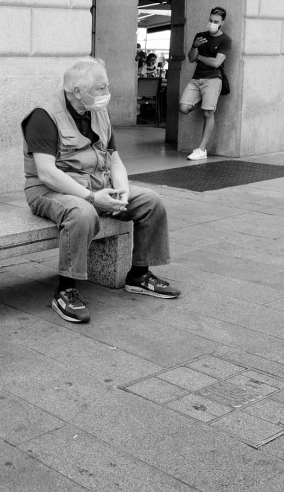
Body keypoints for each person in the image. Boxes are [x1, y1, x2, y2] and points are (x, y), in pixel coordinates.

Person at [21, 57, 180, 324]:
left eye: (106, 87)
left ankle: (139, 274)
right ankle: (66, 289)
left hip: (97, 186)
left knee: (151, 201)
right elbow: (46, 173)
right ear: (78, 91)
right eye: (100, 88)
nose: (107, 94)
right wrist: (93, 198)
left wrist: (123, 193)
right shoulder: (43, 116)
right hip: (49, 191)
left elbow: (114, 159)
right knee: (82, 213)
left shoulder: (97, 111)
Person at [179, 6, 231, 161]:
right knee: (183, 108)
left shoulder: (225, 40)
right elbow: (190, 58)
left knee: (208, 113)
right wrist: (195, 47)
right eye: (210, 20)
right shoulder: (200, 36)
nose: (212, 23)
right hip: (197, 78)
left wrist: (199, 57)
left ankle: (201, 149)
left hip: (213, 78)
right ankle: (205, 100)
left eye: (216, 21)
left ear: (222, 22)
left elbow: (216, 63)